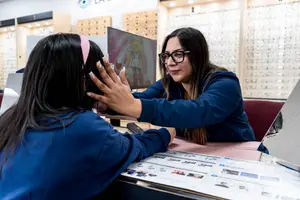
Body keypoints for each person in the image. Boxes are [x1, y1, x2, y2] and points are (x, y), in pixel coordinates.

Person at [0, 33, 175, 200]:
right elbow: (137, 146)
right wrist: (166, 132)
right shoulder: (84, 127)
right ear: (85, 79)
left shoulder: (10, 118)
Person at [87, 27, 256, 145]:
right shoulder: (169, 83)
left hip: (239, 156)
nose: (169, 62)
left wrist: (132, 105)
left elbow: (200, 110)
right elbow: (141, 99)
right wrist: (108, 102)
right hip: (197, 156)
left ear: (198, 56)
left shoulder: (225, 82)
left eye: (178, 55)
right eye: (166, 56)